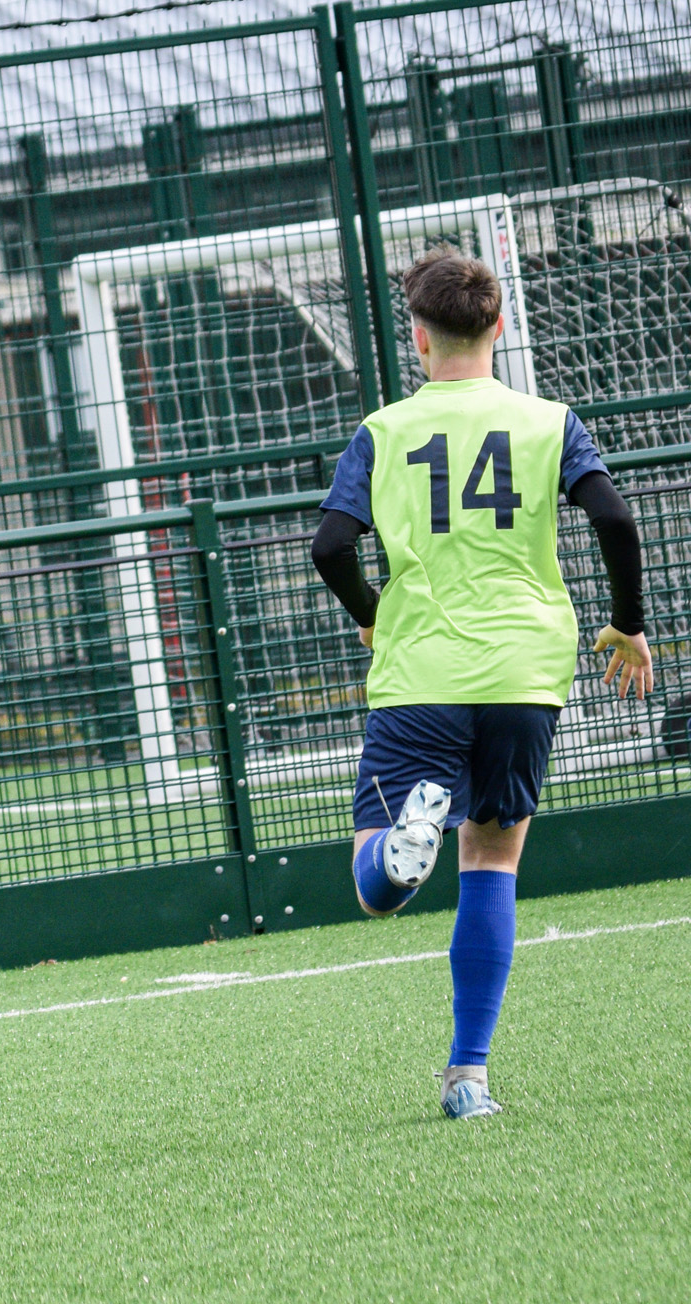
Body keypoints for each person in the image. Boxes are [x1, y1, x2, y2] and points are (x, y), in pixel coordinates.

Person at [311, 249, 651, 1120]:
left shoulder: (382, 431)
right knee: (493, 861)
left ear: (417, 339)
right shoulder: (550, 420)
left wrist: (371, 611)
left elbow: (330, 547)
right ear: (497, 328)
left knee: (373, 886)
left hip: (423, 664)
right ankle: (469, 1079)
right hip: (524, 672)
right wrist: (629, 623)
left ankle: (400, 848)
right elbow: (614, 516)